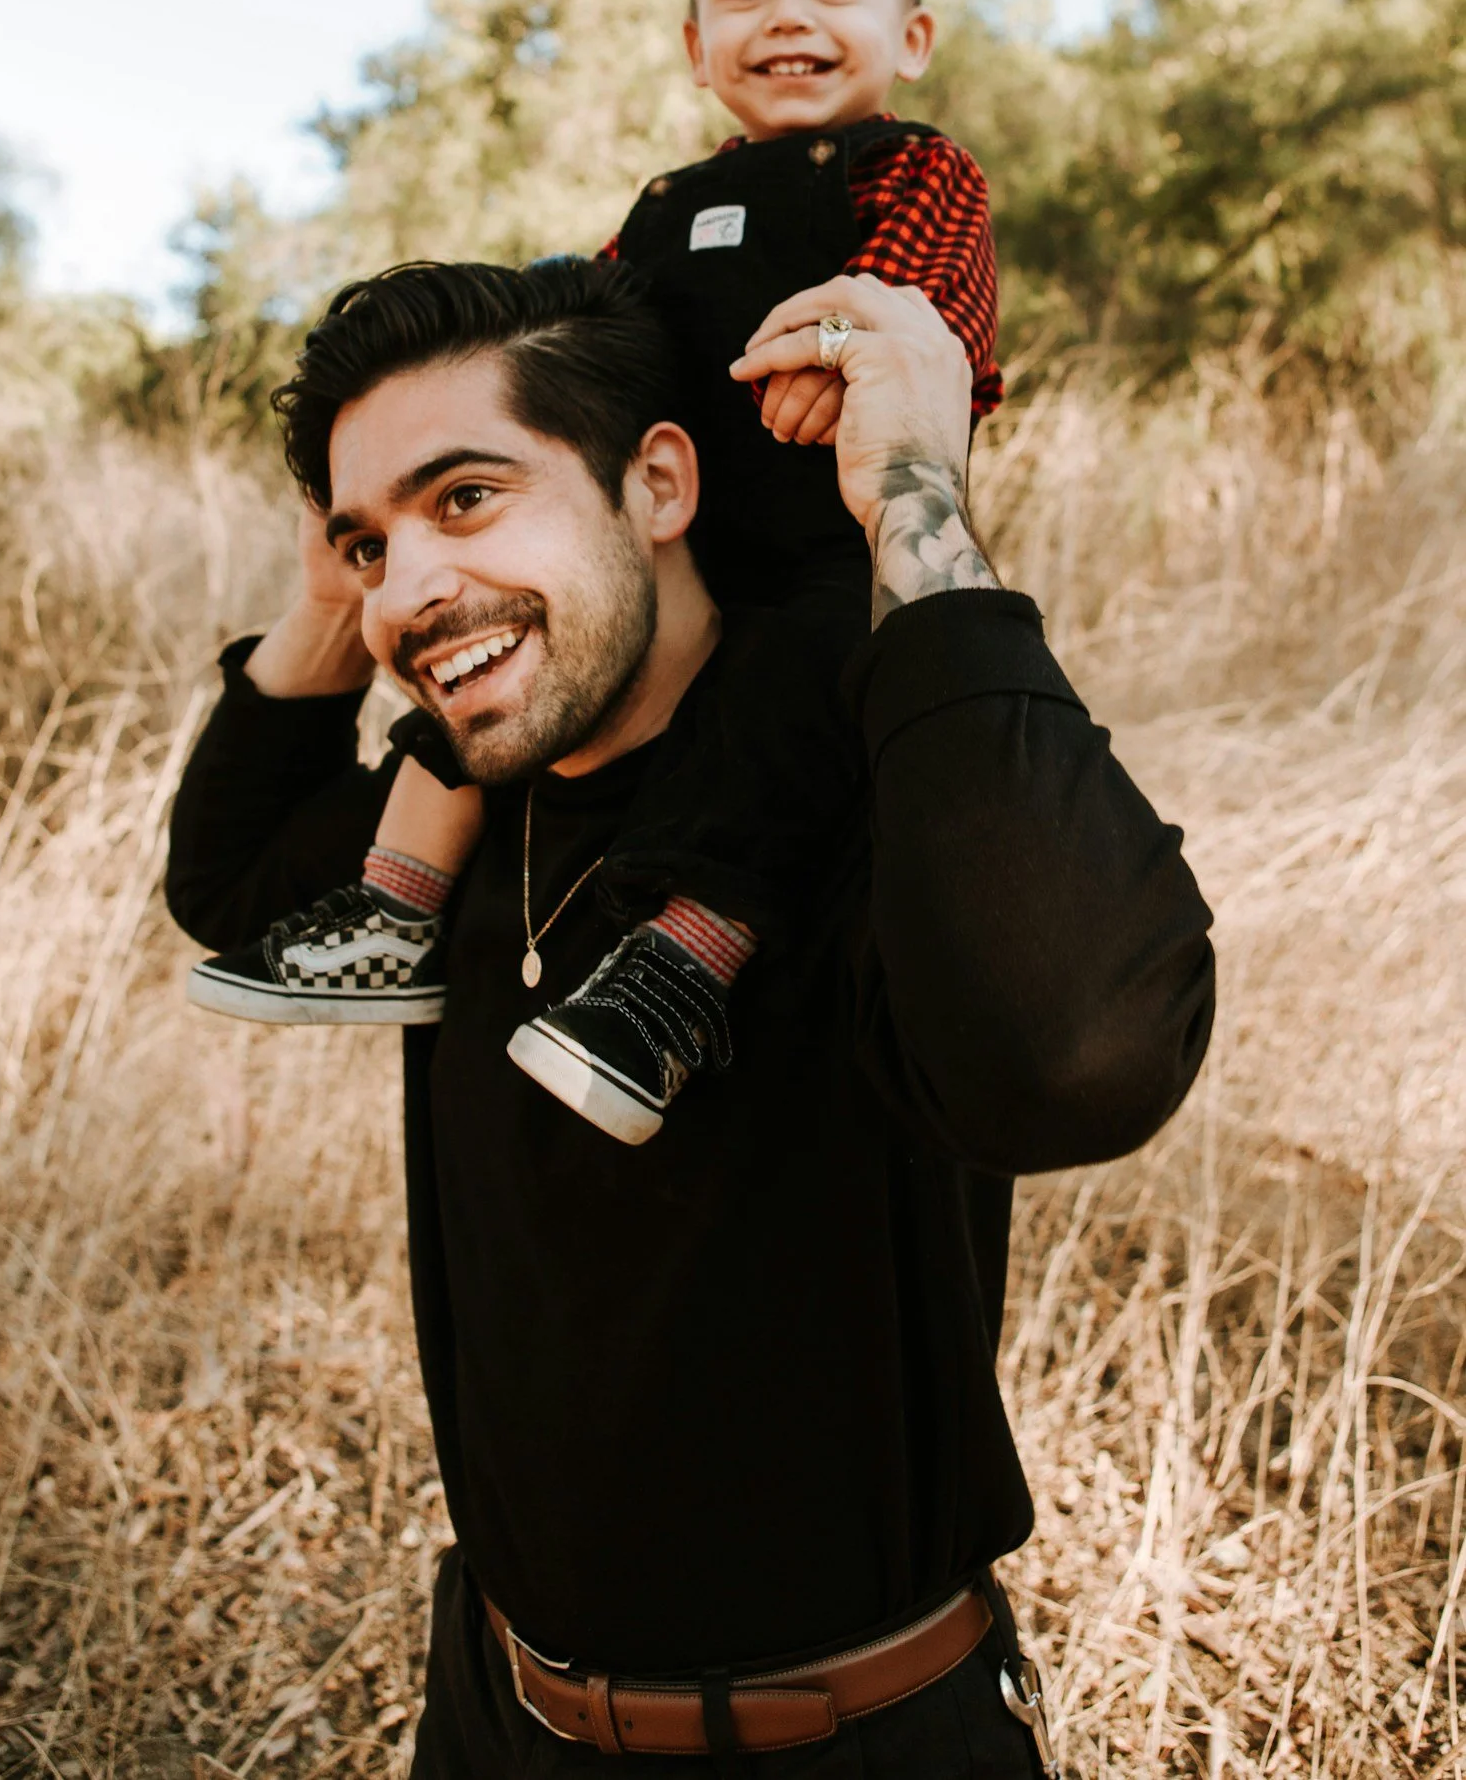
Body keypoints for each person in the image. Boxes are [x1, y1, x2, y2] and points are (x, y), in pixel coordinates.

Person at [167, 254, 1215, 1778]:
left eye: (467, 498)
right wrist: (347, 577)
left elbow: (1075, 1060)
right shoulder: (461, 819)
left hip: (853, 1732)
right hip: (495, 1711)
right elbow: (223, 885)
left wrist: (912, 489)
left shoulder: (853, 809)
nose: (411, 585)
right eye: (368, 541)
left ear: (659, 482)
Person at [186, 0, 1007, 1150]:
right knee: (463, 680)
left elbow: (924, 320)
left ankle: (680, 965)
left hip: (816, 546)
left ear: (910, 37)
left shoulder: (911, 174)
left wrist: (849, 346)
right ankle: (397, 909)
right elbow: (585, 335)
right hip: (656, 554)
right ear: (694, 47)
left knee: (787, 719)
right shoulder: (664, 208)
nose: (785, 17)